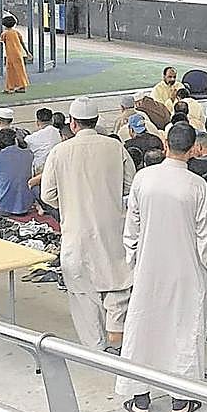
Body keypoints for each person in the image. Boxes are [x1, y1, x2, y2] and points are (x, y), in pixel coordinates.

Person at [116, 122, 207, 412]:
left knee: (144, 328)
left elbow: (131, 228)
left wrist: (135, 259)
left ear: (166, 144)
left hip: (149, 268)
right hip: (186, 271)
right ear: (193, 149)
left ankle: (141, 398)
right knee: (183, 330)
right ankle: (180, 399)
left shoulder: (144, 179)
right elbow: (205, 237)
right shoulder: (196, 185)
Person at [39, 97, 136, 350]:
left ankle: (97, 349)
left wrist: (72, 204)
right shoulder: (115, 147)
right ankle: (119, 341)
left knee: (83, 295)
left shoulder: (60, 152)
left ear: (72, 124)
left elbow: (47, 195)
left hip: (76, 233)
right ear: (96, 121)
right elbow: (130, 186)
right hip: (112, 231)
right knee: (116, 284)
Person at [0, 15, 29, 94]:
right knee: (20, 70)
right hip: (18, 54)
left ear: (4, 25)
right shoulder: (16, 32)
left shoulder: (4, 33)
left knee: (10, 71)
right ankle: (22, 86)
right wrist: (27, 52)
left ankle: (10, 87)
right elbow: (22, 42)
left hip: (10, 55)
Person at [24, 107, 62, 173]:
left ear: (37, 122)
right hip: (58, 168)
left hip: (41, 171)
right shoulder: (60, 133)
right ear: (52, 120)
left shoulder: (31, 138)